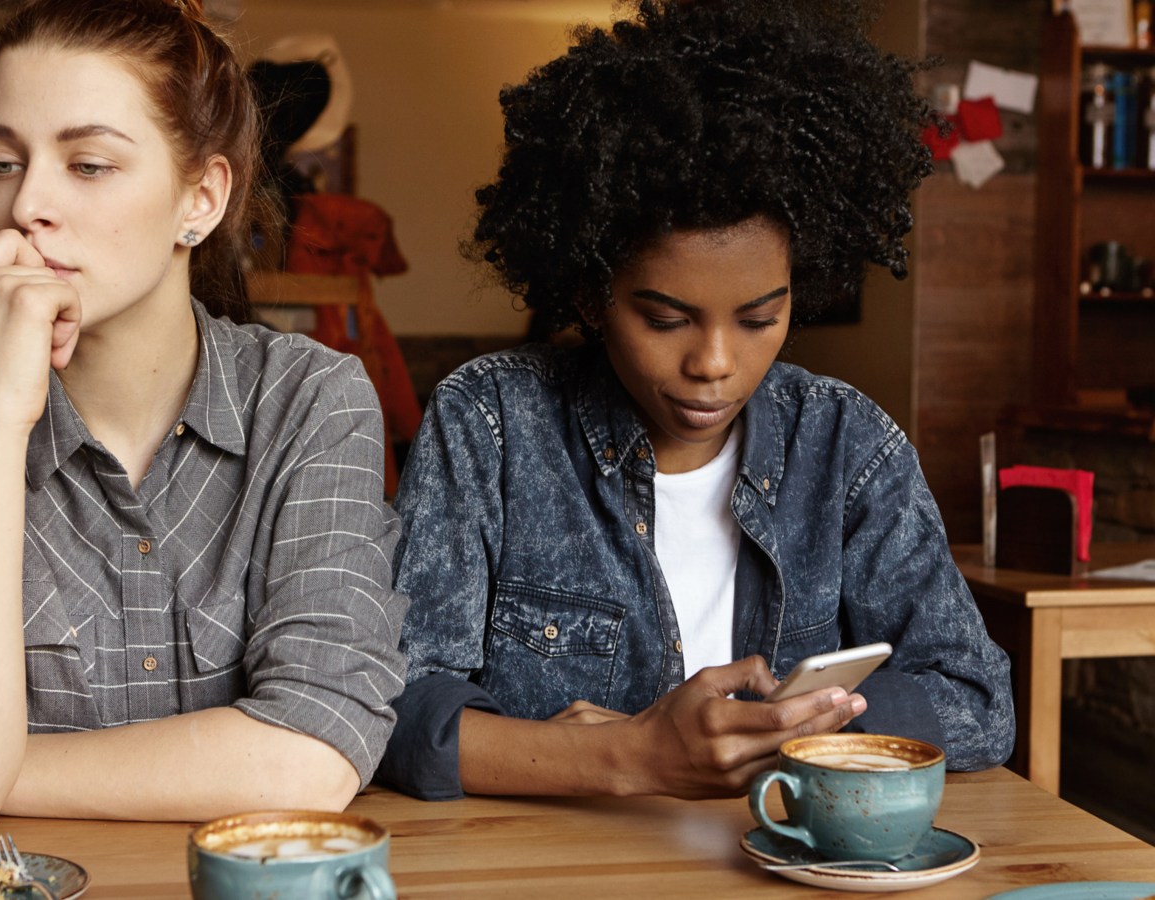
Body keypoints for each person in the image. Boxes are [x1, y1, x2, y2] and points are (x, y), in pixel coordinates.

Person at [379, 0, 1014, 801]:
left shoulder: (847, 444)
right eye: (664, 318)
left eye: (760, 318)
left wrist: (790, 729)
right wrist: (629, 758)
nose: (714, 363)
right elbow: (391, 706)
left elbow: (977, 699)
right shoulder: (490, 426)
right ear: (589, 289)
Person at [0, 0, 407, 828]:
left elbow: (314, 753)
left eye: (88, 164)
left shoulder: (310, 401)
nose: (26, 209)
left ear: (200, 198)